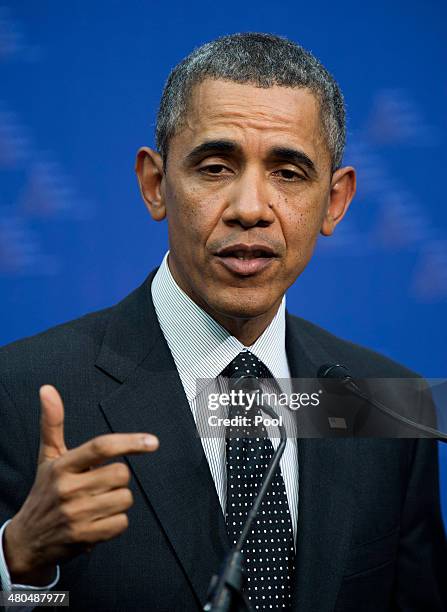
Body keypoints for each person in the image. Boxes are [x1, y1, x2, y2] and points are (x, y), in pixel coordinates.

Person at [0, 32, 446, 612]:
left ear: (335, 201)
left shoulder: (385, 403)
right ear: (155, 184)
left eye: (288, 172)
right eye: (215, 167)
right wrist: (22, 565)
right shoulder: (21, 391)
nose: (250, 207)